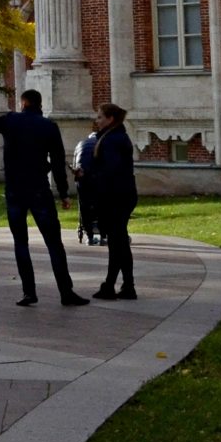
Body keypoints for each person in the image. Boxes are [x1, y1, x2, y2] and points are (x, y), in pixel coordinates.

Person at [0, 89, 89, 307]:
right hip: (39, 189)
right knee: (54, 243)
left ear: (23, 103)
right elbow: (59, 163)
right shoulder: (49, 127)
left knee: (20, 242)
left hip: (15, 190)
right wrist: (63, 193)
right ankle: (65, 291)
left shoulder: (11, 121)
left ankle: (29, 292)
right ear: (39, 104)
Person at [82, 104, 139, 300]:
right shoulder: (114, 137)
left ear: (110, 119)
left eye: (100, 117)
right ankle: (125, 286)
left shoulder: (112, 140)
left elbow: (110, 172)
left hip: (115, 197)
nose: (97, 120)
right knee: (119, 242)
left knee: (117, 243)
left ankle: (112, 285)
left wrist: (89, 176)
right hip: (121, 195)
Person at [74, 123, 102, 246]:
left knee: (84, 205)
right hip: (97, 178)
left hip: (82, 177)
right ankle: (103, 234)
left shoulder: (81, 144)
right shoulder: (100, 144)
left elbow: (75, 162)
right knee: (102, 204)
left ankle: (89, 236)